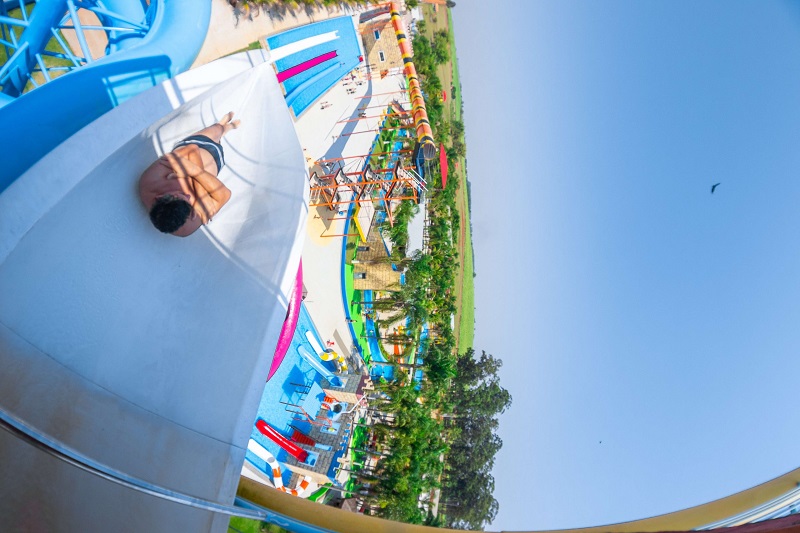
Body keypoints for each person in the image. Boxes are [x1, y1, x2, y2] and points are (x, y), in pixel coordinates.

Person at [139, 112, 240, 237]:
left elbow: (192, 149)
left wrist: (201, 195)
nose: (188, 195)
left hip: (198, 142)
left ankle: (226, 126)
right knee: (218, 141)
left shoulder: (150, 181)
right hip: (217, 161)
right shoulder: (185, 226)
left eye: (181, 194)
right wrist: (192, 171)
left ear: (159, 197)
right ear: (190, 215)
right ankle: (224, 132)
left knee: (217, 129)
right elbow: (225, 195)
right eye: (189, 202)